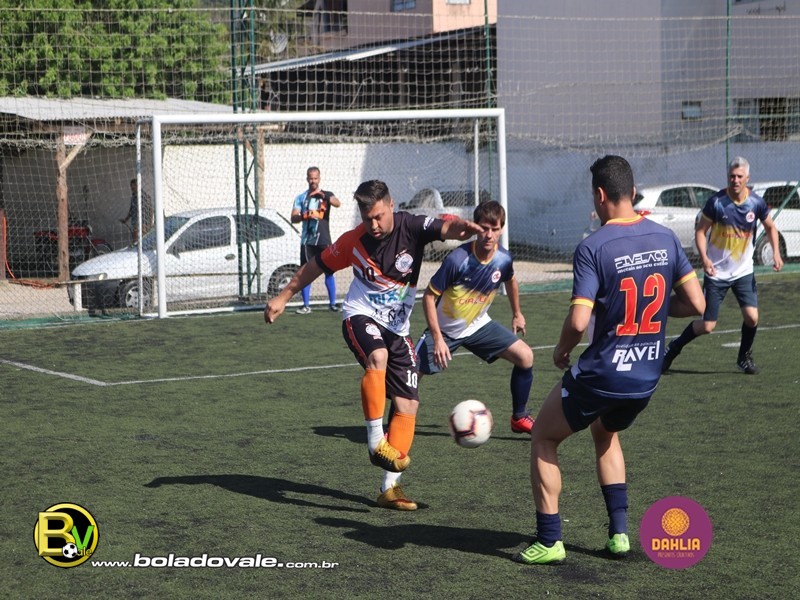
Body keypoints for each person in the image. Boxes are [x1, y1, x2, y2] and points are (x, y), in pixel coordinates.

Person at [514, 155, 705, 565]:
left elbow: (579, 321)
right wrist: (654, 314)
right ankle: (619, 535)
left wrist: (562, 350)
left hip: (603, 373)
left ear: (600, 195)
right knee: (605, 432)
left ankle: (550, 540)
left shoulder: (593, 246)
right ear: (632, 192)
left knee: (543, 436)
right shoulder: (665, 238)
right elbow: (697, 304)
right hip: (647, 376)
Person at [265, 179, 483, 511]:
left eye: (379, 216)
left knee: (408, 404)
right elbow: (315, 266)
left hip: (398, 329)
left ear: (391, 205)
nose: (374, 225)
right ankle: (375, 441)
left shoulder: (412, 226)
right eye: (368, 219)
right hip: (360, 315)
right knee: (377, 355)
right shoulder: (354, 241)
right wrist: (283, 297)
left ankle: (389, 489)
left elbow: (444, 227)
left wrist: (461, 229)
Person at [415, 200, 535, 435]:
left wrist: (517, 313)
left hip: (478, 326)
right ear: (475, 227)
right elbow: (428, 297)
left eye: (495, 229)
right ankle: (393, 429)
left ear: (501, 229)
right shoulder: (457, 260)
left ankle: (519, 418)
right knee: (408, 375)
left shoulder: (504, 259)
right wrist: (437, 339)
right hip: (445, 331)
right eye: (484, 228)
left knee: (525, 357)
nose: (489, 235)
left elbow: (510, 280)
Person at [662, 156, 783, 375]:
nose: (735, 180)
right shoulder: (716, 202)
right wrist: (705, 259)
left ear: (747, 178)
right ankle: (673, 349)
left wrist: (776, 253)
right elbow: (700, 231)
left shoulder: (756, 203)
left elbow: (771, 227)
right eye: (732, 176)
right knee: (707, 326)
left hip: (743, 272)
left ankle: (744, 357)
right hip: (717, 273)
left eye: (739, 176)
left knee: (752, 317)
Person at [291, 167, 341, 314]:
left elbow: (337, 203)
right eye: (311, 178)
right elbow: (293, 218)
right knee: (305, 273)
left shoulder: (326, 195)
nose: (313, 181)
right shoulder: (301, 198)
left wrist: (325, 196)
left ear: (319, 178)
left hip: (324, 240)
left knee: (329, 271)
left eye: (315, 178)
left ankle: (332, 304)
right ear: (307, 178)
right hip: (307, 242)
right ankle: (306, 306)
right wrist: (305, 215)